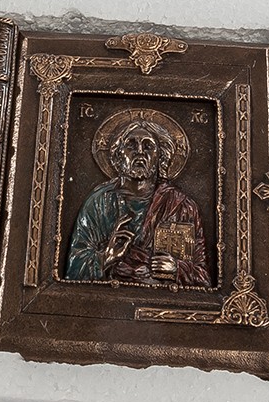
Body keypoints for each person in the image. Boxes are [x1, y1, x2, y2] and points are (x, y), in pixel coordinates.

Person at [64, 117, 209, 287]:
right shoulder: (99, 204)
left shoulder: (181, 206)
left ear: (160, 157)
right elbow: (74, 270)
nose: (140, 152)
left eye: (148, 146)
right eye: (131, 145)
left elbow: (203, 278)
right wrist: (105, 257)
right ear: (118, 156)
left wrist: (177, 269)